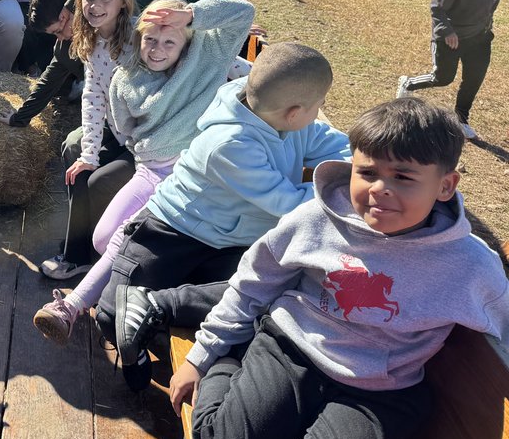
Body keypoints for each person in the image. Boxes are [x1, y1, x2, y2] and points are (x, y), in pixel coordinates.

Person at [173, 98, 509, 439]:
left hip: (379, 391)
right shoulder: (316, 219)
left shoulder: (471, 266)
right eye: (367, 172)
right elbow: (253, 282)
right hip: (292, 350)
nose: (380, 188)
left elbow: (503, 326)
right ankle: (231, 365)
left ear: (445, 185)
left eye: (403, 177)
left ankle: (289, 438)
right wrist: (203, 356)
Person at [102, 43, 350, 389]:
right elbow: (290, 203)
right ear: (295, 112)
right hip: (173, 231)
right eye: (319, 105)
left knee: (263, 295)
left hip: (233, 243)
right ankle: (144, 337)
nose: (319, 113)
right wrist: (340, 189)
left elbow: (343, 148)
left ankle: (157, 307)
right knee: (110, 314)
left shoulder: (280, 114)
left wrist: (360, 172)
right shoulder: (229, 144)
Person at [34, 0, 254, 346]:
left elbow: (244, 13)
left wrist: (190, 14)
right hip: (149, 169)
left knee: (124, 236)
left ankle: (71, 307)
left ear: (186, 42)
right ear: (139, 39)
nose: (157, 49)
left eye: (169, 42)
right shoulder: (127, 78)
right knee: (102, 239)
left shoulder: (206, 60)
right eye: (150, 39)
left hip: (190, 174)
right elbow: (122, 126)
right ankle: (119, 286)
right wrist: (142, 147)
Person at [1, 0, 136, 277]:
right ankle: (77, 247)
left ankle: (94, 245)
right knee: (73, 147)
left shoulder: (134, 36)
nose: (59, 38)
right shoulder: (72, 45)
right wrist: (20, 117)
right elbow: (53, 83)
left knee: (97, 179)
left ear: (65, 16)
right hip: (113, 125)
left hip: (143, 135)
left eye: (57, 31)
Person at [48, 0, 138, 278]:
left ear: (124, 1)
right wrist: (89, 153)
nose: (95, 6)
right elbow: (93, 96)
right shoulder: (93, 41)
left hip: (149, 143)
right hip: (120, 133)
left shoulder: (142, 38)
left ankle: (99, 254)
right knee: (79, 164)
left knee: (100, 181)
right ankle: (76, 252)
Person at [397, 0, 509, 140]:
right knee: (443, 78)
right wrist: (447, 31)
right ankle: (408, 83)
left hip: (479, 38)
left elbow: (491, 7)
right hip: (451, 36)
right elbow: (436, 6)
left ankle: (461, 120)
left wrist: (486, 28)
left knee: (474, 79)